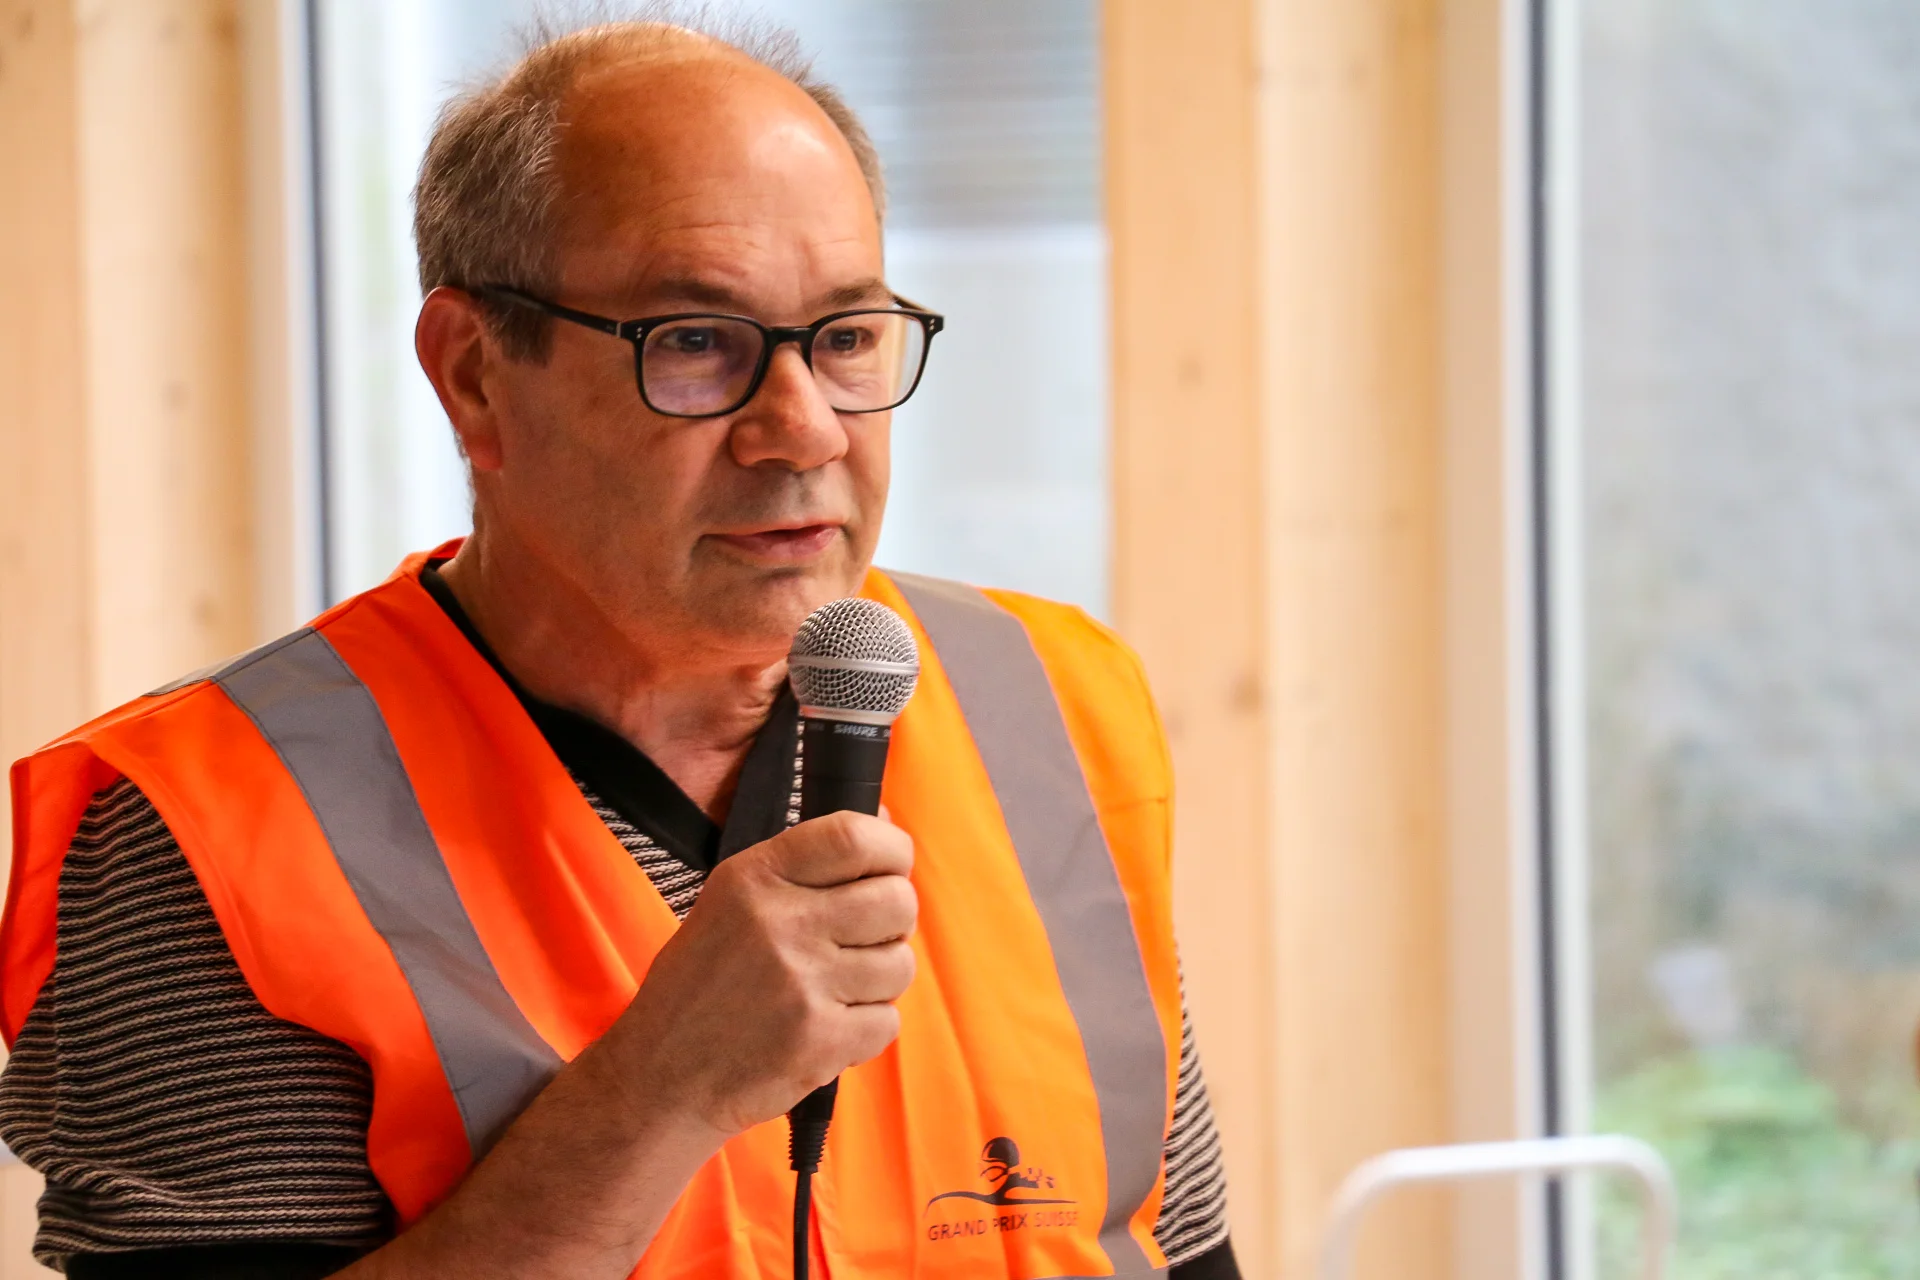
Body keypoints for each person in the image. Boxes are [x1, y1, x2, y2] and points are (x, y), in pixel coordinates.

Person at [0, 13, 1236, 1280]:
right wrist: (659, 1091)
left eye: (848, 337)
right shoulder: (210, 829)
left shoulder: (1055, 710)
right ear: (474, 375)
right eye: (695, 342)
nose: (804, 428)